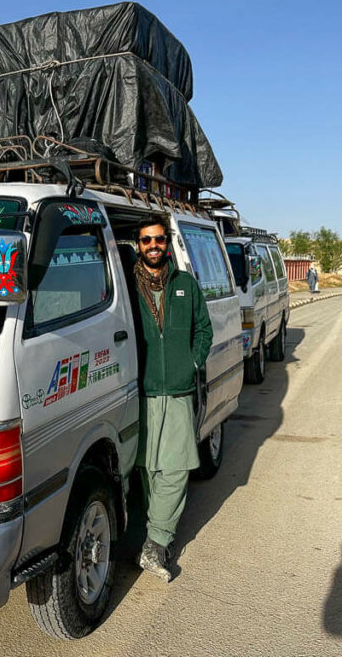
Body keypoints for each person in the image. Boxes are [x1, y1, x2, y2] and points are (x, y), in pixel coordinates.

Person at [132, 218, 213, 581]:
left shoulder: (186, 285)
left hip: (179, 391)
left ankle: (156, 543)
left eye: (159, 239)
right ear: (138, 244)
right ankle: (153, 531)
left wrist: (192, 362)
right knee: (148, 468)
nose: (153, 245)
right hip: (143, 392)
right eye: (147, 239)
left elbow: (204, 328)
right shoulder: (127, 288)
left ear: (167, 243)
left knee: (176, 467)